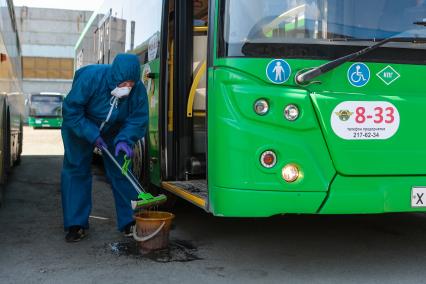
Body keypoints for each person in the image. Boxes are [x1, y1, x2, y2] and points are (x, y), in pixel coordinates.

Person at [61, 54, 148, 242]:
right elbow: (71, 110)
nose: (127, 88)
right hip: (79, 124)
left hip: (113, 129)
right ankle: (76, 224)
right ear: (114, 77)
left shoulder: (137, 90)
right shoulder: (92, 78)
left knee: (122, 170)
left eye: (131, 84)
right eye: (124, 83)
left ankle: (130, 221)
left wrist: (125, 139)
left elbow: (138, 118)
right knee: (77, 169)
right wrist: (92, 135)